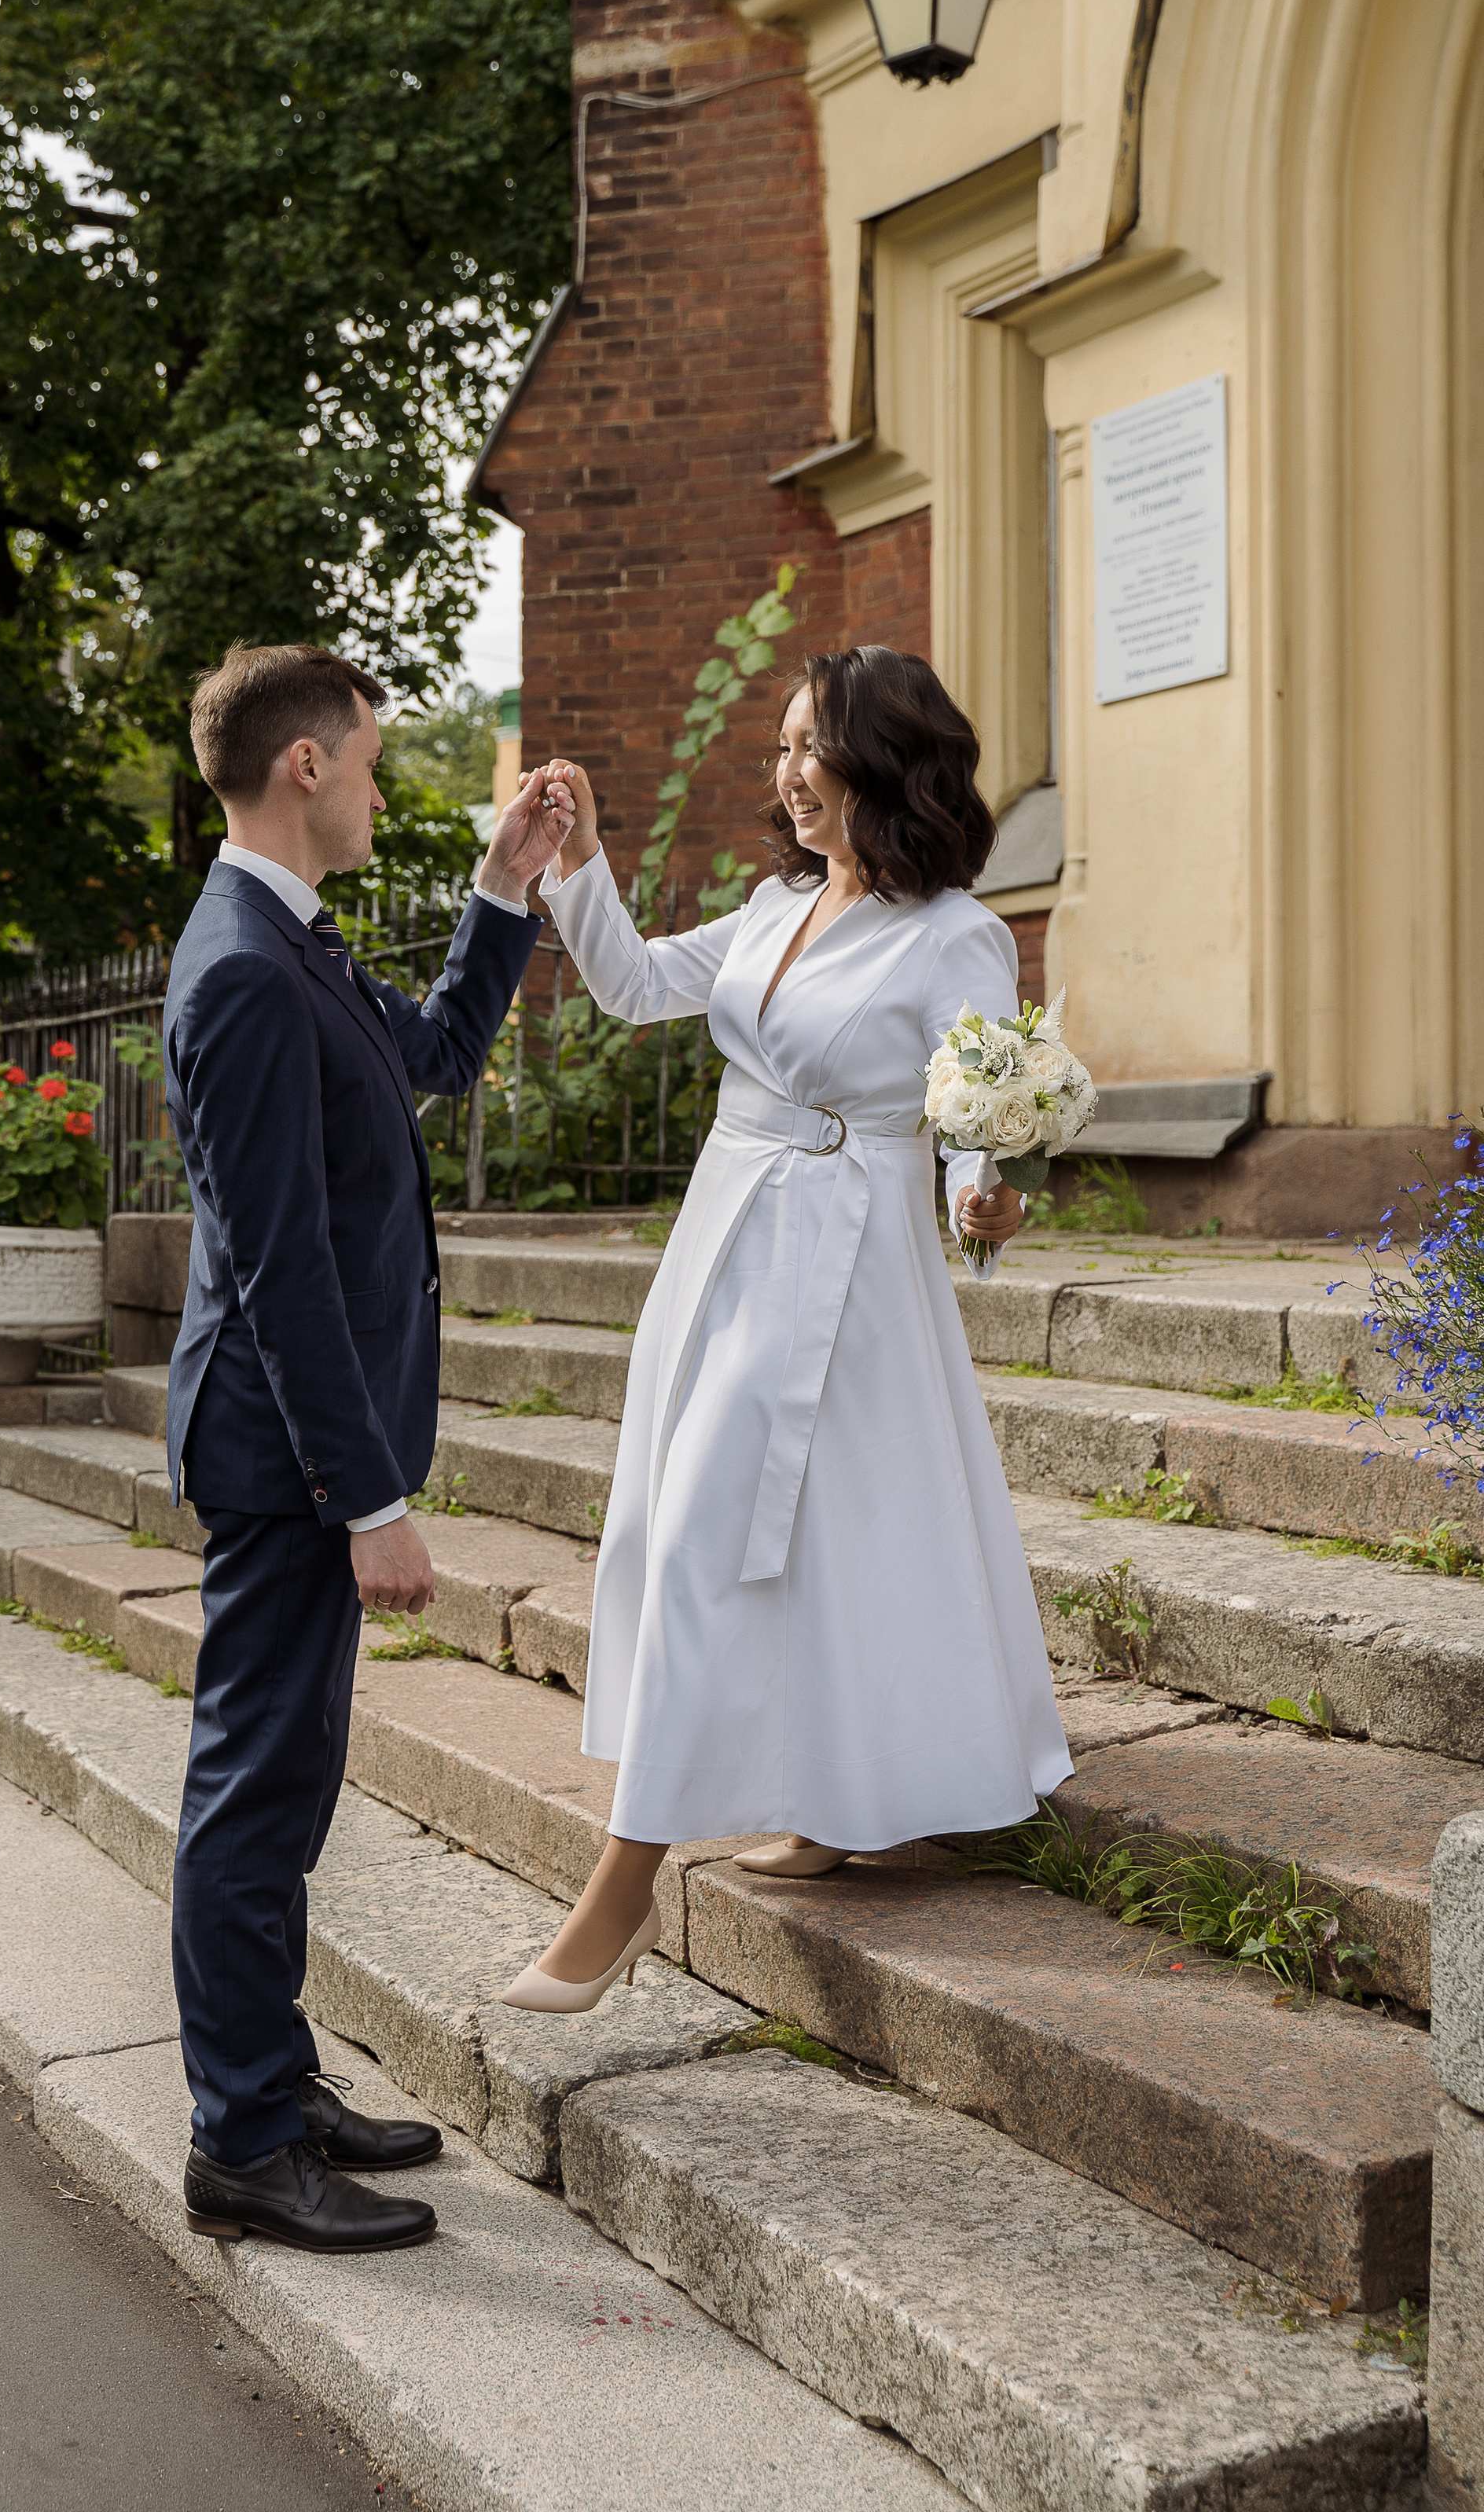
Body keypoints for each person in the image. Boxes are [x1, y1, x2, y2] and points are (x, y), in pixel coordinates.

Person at [499, 645, 1071, 2013]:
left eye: (811, 745)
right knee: (724, 1529)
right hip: (723, 1241)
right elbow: (635, 985)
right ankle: (829, 1803)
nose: (787, 772)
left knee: (712, 1532)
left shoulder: (957, 939)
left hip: (846, 1259)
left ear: (883, 761)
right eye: (780, 747)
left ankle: (621, 1890)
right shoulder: (772, 910)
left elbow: (970, 1114)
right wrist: (572, 859)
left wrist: (983, 1197)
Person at [163, 642, 571, 2244]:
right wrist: (367, 1499)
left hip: (292, 1452)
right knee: (254, 1796)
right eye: (375, 759)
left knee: (284, 1784)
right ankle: (243, 2147)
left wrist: (502, 888)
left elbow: (435, 1058)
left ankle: (273, 2078)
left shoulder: (285, 940)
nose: (386, 786)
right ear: (306, 769)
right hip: (282, 1459)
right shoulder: (246, 971)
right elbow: (279, 1271)